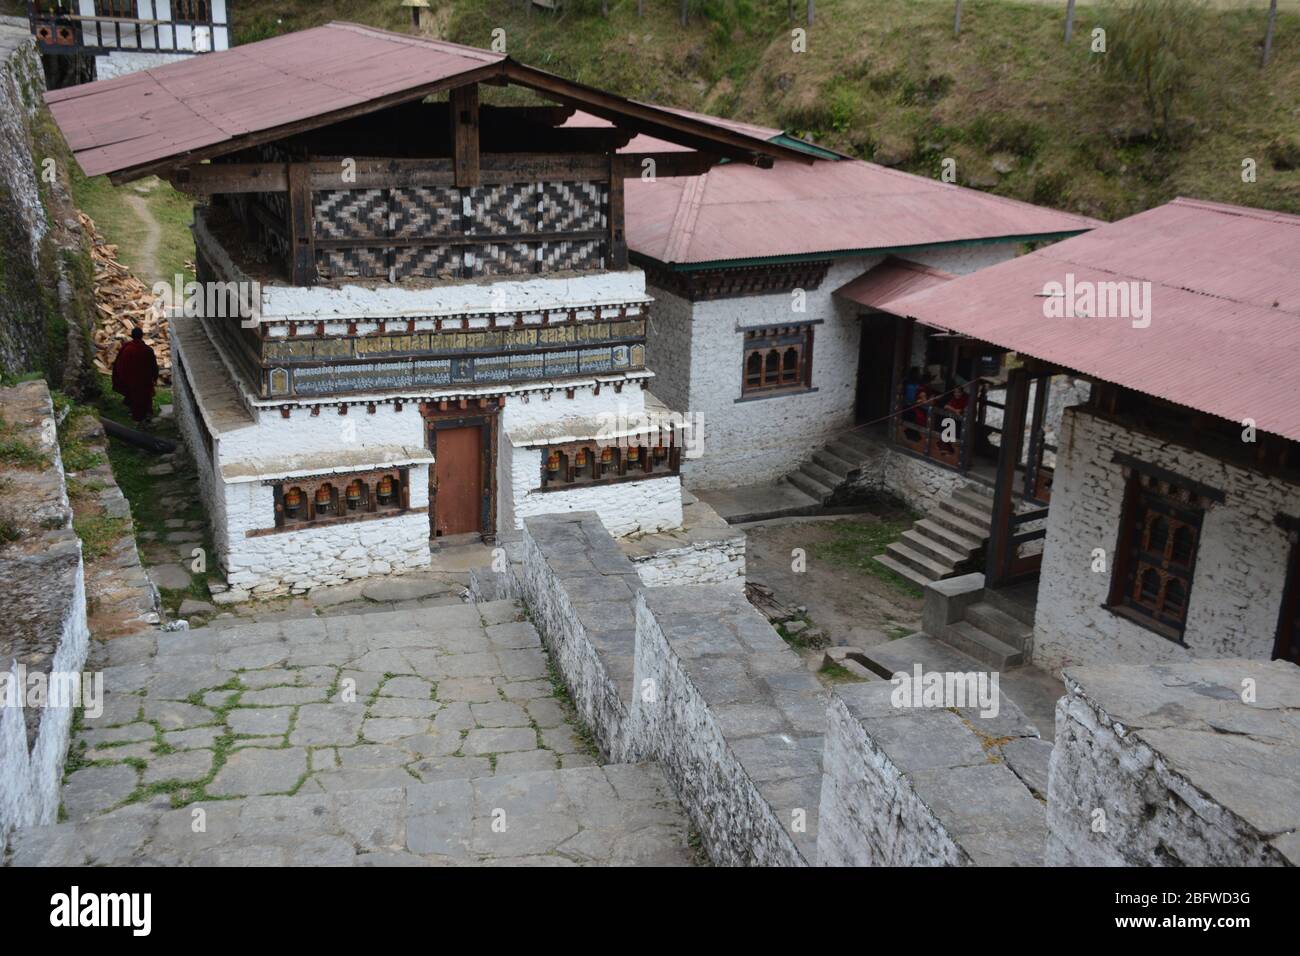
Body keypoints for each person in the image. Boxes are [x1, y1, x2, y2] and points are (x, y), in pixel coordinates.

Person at [111, 327, 159, 424]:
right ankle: (145, 416)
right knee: (144, 398)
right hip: (144, 381)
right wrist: (154, 377)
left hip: (130, 380)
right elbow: (153, 365)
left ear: (132, 336)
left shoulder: (127, 349)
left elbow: (120, 364)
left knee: (134, 398)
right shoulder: (147, 350)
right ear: (142, 336)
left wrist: (121, 378)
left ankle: (137, 417)